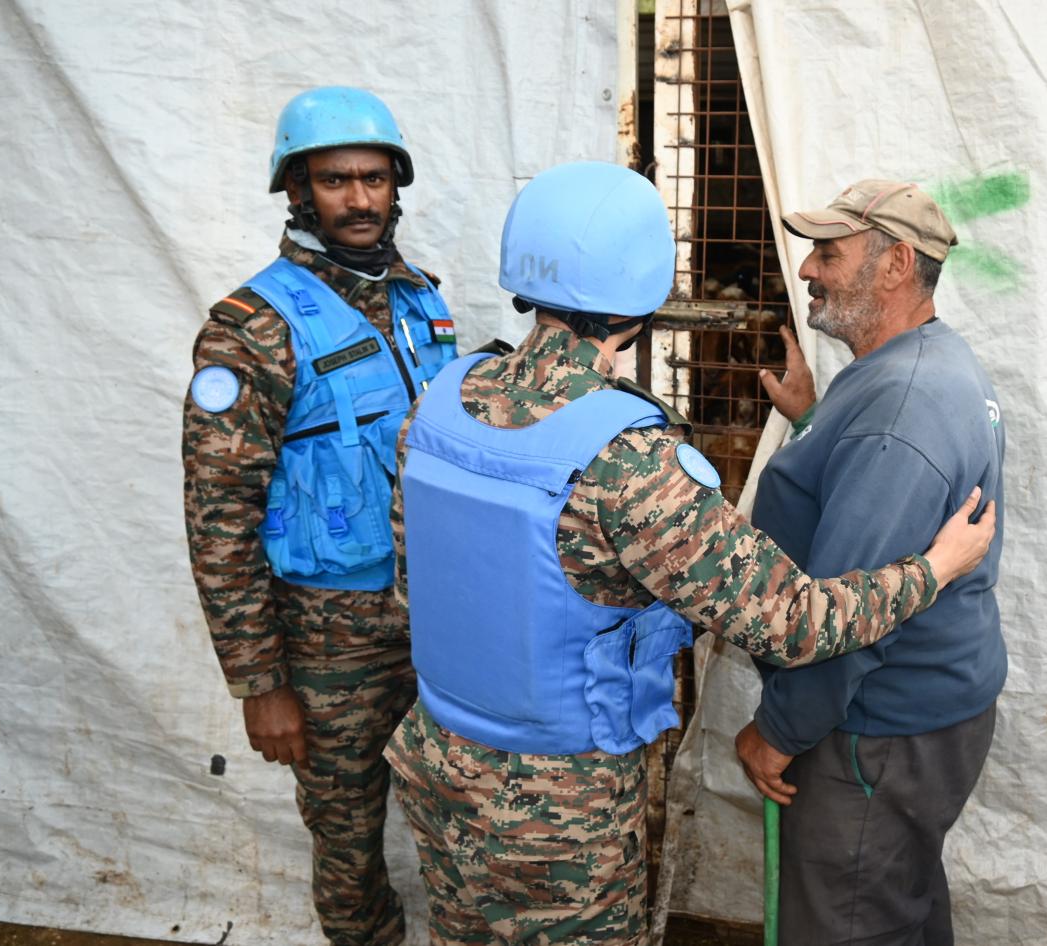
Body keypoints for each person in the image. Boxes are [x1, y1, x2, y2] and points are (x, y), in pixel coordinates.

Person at [380, 161, 996, 946]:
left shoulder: (439, 401)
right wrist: (934, 568)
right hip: (556, 809)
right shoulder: (627, 459)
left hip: (438, 762)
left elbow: (411, 585)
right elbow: (792, 621)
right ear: (642, 290)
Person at [182, 86, 457, 946]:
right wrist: (261, 683)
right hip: (330, 642)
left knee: (466, 813)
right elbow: (218, 515)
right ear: (296, 188)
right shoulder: (251, 328)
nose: (360, 199)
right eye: (336, 180)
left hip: (446, 623)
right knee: (347, 844)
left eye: (375, 178)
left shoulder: (424, 303)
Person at [733, 180, 1007, 945]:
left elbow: (848, 616)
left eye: (829, 252)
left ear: (895, 266)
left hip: (873, 730)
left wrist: (780, 732)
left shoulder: (900, 408)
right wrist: (815, 420)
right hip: (921, 717)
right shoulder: (924, 362)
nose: (809, 270)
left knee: (845, 921)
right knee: (894, 905)